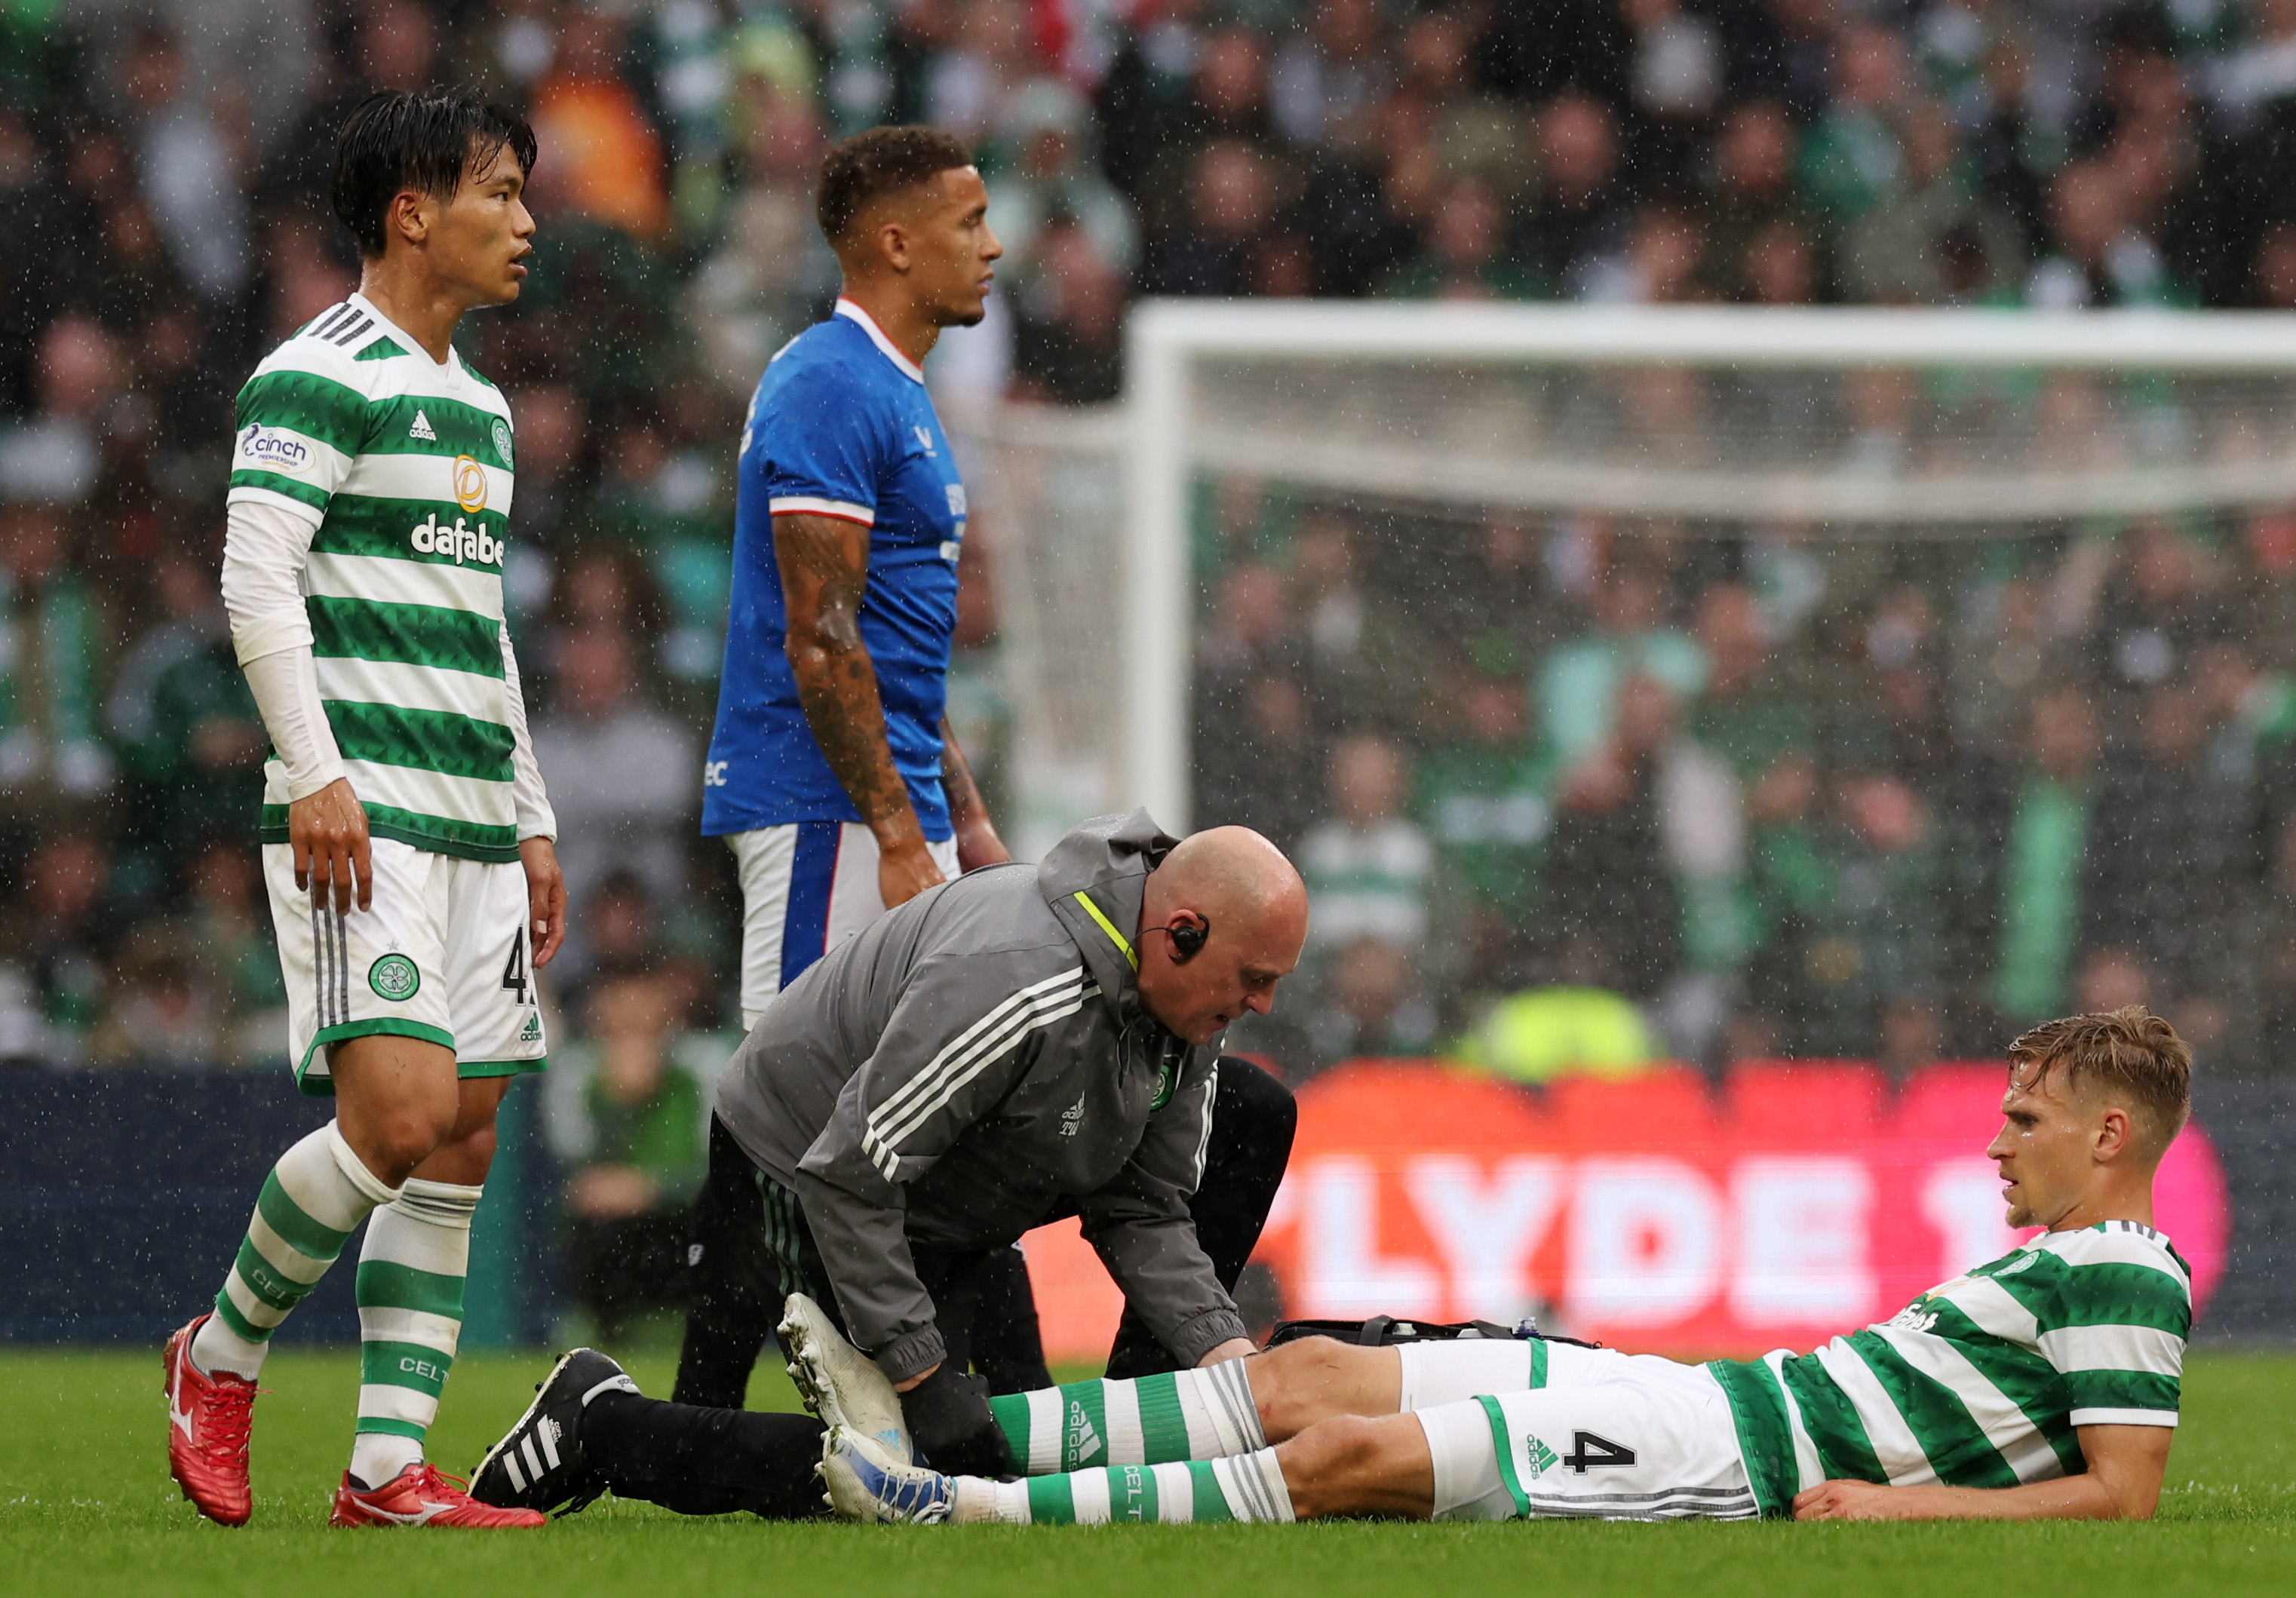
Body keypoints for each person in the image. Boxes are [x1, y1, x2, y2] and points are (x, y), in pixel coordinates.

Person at [676, 126, 1297, 1413]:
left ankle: (854, 1406)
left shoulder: (896, 392)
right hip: (821, 803)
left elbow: (899, 666)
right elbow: (821, 636)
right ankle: (690, 1422)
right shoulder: (831, 383)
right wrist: (902, 834)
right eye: (968, 221)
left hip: (884, 804)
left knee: (907, 1115)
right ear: (895, 241)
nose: (994, 245)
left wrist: (964, 825)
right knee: (794, 1114)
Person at [813, 1005, 2192, 1526]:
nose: (1997, 1140)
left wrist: (1900, 1512)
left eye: (2026, 1118)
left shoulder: (2124, 1264)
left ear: (2110, 1133)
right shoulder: (2069, 1260)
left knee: (1345, 1459)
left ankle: (968, 1508)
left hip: (1734, 1457)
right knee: (1307, 1372)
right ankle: (939, 1431)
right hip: (1715, 1392)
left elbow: (2122, 1493)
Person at [470, 813, 1309, 1517]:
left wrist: (1227, 1370)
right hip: (795, 1166)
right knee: (912, 1479)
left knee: (989, 1472)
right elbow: (847, 1173)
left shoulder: (1186, 1001)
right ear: (1182, 932)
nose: (1263, 1003)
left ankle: (1144, 1428)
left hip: (939, 1193)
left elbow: (1145, 1208)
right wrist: (924, 1373)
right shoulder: (1018, 982)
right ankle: (600, 1423)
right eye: (1253, 977)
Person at [161, 89, 564, 1532]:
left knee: (459, 1135)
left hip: (473, 819)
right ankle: (217, 1356)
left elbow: (482, 626)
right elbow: (254, 578)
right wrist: (316, 771)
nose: (525, 222)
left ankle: (387, 1467)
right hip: (364, 810)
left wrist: (531, 813)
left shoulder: (484, 407)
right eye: (499, 193)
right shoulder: (314, 373)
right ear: (412, 212)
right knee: (395, 1114)